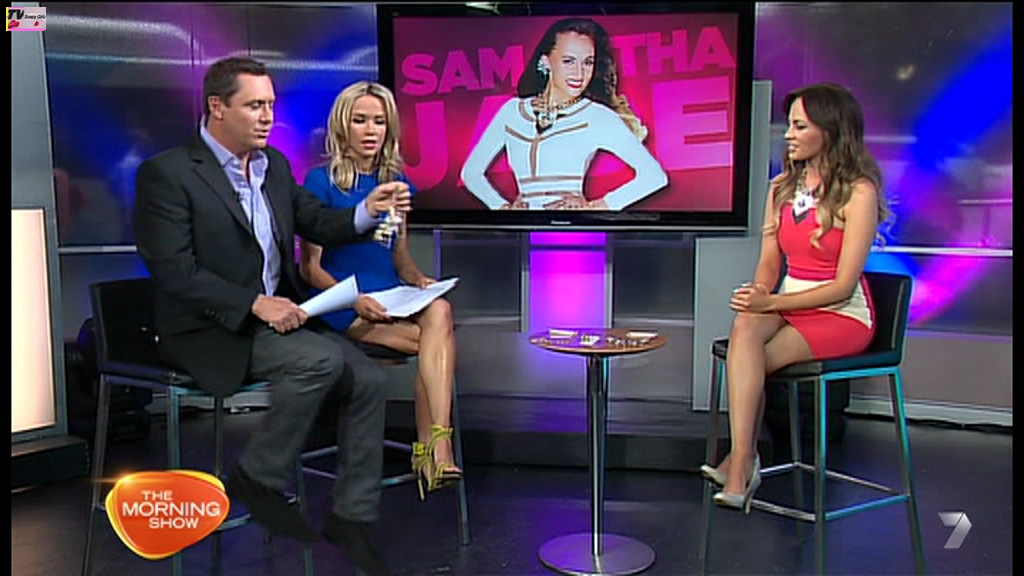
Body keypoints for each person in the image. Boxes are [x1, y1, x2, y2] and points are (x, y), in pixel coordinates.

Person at [134, 57, 410, 576]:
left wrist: (368, 211)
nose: (267, 117)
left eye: (270, 105)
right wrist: (255, 303)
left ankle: (350, 517)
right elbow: (174, 270)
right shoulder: (169, 173)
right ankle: (257, 477)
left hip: (275, 318)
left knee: (369, 379)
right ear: (217, 107)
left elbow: (318, 221)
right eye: (254, 105)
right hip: (211, 325)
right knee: (319, 361)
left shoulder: (273, 167)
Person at [700, 83, 889, 512]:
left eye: (800, 126)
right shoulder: (782, 187)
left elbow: (843, 286)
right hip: (790, 304)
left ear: (830, 130)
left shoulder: (858, 192)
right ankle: (744, 458)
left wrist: (771, 304)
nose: (788, 134)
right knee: (745, 325)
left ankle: (741, 461)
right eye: (790, 125)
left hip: (840, 315)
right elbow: (770, 261)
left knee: (752, 361)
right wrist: (759, 292)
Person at [299, 81, 463, 500]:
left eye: (379, 121)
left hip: (392, 300)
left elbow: (399, 257)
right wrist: (355, 300)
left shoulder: (396, 181)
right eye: (360, 120)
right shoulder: (321, 182)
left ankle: (436, 445)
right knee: (437, 344)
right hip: (344, 306)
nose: (371, 130)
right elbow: (310, 267)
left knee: (440, 312)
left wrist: (421, 281)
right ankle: (433, 449)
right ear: (343, 126)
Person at [460, 17, 668, 210]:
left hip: (576, 227)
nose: (579, 73)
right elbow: (471, 173)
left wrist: (596, 207)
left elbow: (654, 177)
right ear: (546, 62)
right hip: (523, 228)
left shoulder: (597, 116)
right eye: (569, 61)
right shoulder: (512, 111)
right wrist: (502, 208)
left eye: (588, 62)